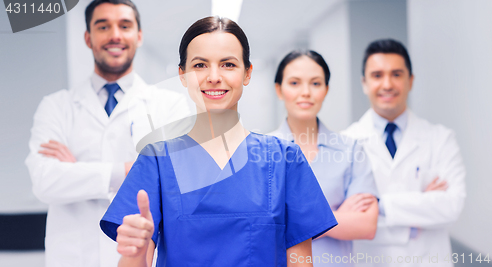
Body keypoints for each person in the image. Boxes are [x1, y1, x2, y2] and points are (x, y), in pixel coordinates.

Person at [99, 16, 338, 267]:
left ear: (247, 73)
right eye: (200, 65)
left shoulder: (285, 159)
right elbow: (137, 259)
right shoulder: (156, 160)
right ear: (182, 75)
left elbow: (301, 262)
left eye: (228, 64)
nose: (214, 76)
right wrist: (134, 252)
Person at [25, 1, 190, 266]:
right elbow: (45, 181)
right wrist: (133, 169)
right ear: (88, 38)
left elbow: (175, 178)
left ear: (139, 35)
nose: (115, 34)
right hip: (72, 257)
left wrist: (78, 171)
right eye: (103, 26)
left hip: (141, 256)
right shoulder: (56, 106)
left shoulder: (170, 105)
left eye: (124, 26)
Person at [342, 39, 466, 266]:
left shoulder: (440, 138)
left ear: (411, 80)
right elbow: (346, 218)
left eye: (397, 74)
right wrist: (422, 204)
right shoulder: (345, 142)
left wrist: (378, 205)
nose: (387, 84)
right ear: (364, 83)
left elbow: (451, 206)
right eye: (377, 75)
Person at [269, 50, 379, 266]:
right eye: (294, 83)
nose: (306, 92)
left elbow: (367, 225)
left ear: (326, 90)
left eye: (316, 83)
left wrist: (292, 223)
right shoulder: (261, 152)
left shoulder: (351, 150)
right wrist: (335, 217)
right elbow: (262, 229)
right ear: (279, 90)